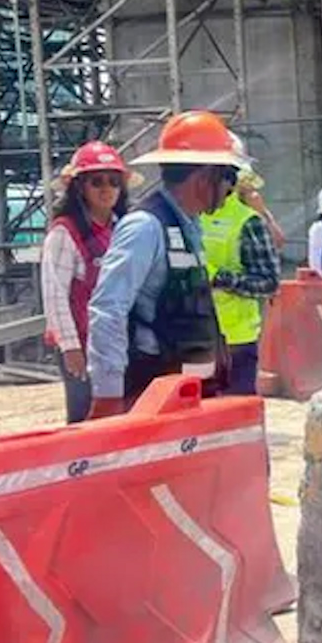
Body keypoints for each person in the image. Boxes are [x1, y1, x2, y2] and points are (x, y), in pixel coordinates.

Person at [85, 111, 248, 419]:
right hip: (151, 392)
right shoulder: (145, 227)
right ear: (205, 175)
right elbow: (108, 311)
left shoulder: (190, 227)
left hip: (187, 391)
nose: (231, 189)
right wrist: (108, 395)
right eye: (229, 176)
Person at [41, 141, 136, 423]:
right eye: (96, 181)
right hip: (82, 342)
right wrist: (71, 348)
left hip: (119, 340)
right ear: (80, 187)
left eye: (113, 181)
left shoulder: (124, 229)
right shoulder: (64, 233)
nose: (106, 189)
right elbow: (55, 294)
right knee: (84, 417)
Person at [201, 151, 281, 396]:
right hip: (194, 337)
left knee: (234, 418)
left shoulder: (248, 221)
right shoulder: (189, 215)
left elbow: (269, 282)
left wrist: (219, 278)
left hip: (235, 339)